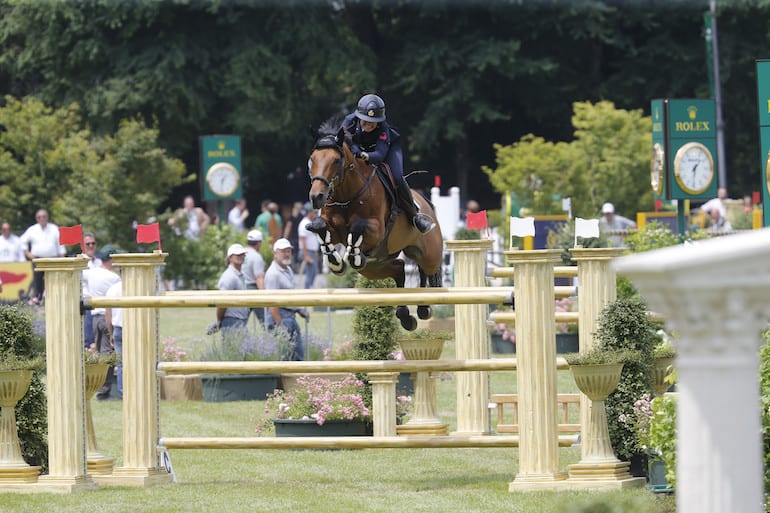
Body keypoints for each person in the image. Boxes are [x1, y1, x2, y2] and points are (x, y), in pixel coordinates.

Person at [341, 93, 435, 234]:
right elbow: (340, 138)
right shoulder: (349, 121)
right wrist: (353, 149)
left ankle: (415, 215)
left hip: (387, 150)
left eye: (372, 122)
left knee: (397, 177)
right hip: (359, 150)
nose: (368, 125)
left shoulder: (383, 129)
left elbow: (379, 155)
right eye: (365, 121)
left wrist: (362, 154)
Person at [86, 245, 122, 400]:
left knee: (101, 355)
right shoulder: (114, 278)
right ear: (112, 259)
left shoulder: (92, 273)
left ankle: (100, 388)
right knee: (109, 356)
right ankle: (104, 391)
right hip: (107, 317)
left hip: (95, 317)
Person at [264, 238, 308, 361]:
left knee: (297, 356)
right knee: (284, 357)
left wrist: (298, 309)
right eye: (283, 251)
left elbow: (290, 294)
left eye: (288, 251)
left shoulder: (288, 270)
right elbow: (272, 303)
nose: (287, 254)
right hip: (280, 316)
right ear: (275, 253)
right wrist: (280, 324)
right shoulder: (273, 274)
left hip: (289, 315)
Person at [19, 209, 65, 303]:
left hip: (52, 259)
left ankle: (52, 298)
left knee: (53, 279)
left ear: (47, 217)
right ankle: (36, 297)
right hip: (37, 259)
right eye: (39, 217)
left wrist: (62, 257)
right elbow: (22, 241)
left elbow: (61, 244)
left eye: (44, 216)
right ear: (37, 218)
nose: (42, 219)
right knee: (37, 279)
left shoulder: (54, 229)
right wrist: (28, 253)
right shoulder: (32, 229)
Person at [213, 244, 250, 338]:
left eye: (242, 254)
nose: (240, 256)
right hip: (232, 321)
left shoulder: (239, 275)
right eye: (237, 254)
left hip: (239, 320)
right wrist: (219, 321)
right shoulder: (229, 276)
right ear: (230, 258)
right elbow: (221, 303)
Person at [82, 232, 102, 350]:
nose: (91, 246)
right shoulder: (80, 262)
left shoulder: (99, 262)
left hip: (100, 302)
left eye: (93, 243)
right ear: (82, 245)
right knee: (89, 341)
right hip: (88, 303)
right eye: (88, 244)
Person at [243, 230, 266, 325]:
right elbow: (259, 278)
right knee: (265, 319)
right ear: (259, 243)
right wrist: (264, 295)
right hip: (253, 289)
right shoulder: (256, 257)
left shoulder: (241, 254)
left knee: (241, 320)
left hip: (241, 289)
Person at [105, 279, 123, 400]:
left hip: (118, 329)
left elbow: (108, 314)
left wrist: (111, 334)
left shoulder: (113, 288)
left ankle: (123, 394)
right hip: (136, 328)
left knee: (121, 364)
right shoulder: (143, 287)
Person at [297, 204, 321, 289]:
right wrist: (306, 255)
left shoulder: (309, 222)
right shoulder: (304, 223)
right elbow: (302, 240)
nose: (314, 214)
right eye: (313, 212)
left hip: (312, 252)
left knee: (313, 273)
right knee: (310, 273)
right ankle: (307, 291)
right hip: (308, 251)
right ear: (309, 212)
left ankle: (310, 289)